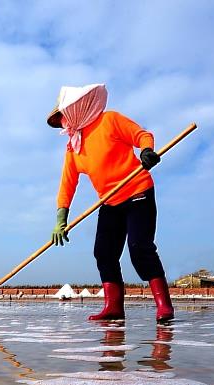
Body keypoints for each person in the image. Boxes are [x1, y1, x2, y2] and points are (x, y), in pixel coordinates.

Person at [48, 83, 174, 323]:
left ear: (77, 108)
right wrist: (60, 219)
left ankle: (163, 305)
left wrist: (147, 151)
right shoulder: (73, 148)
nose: (63, 122)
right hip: (110, 201)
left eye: (63, 116)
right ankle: (113, 306)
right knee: (103, 253)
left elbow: (142, 135)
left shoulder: (110, 120)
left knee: (139, 247)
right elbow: (67, 184)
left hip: (138, 192)